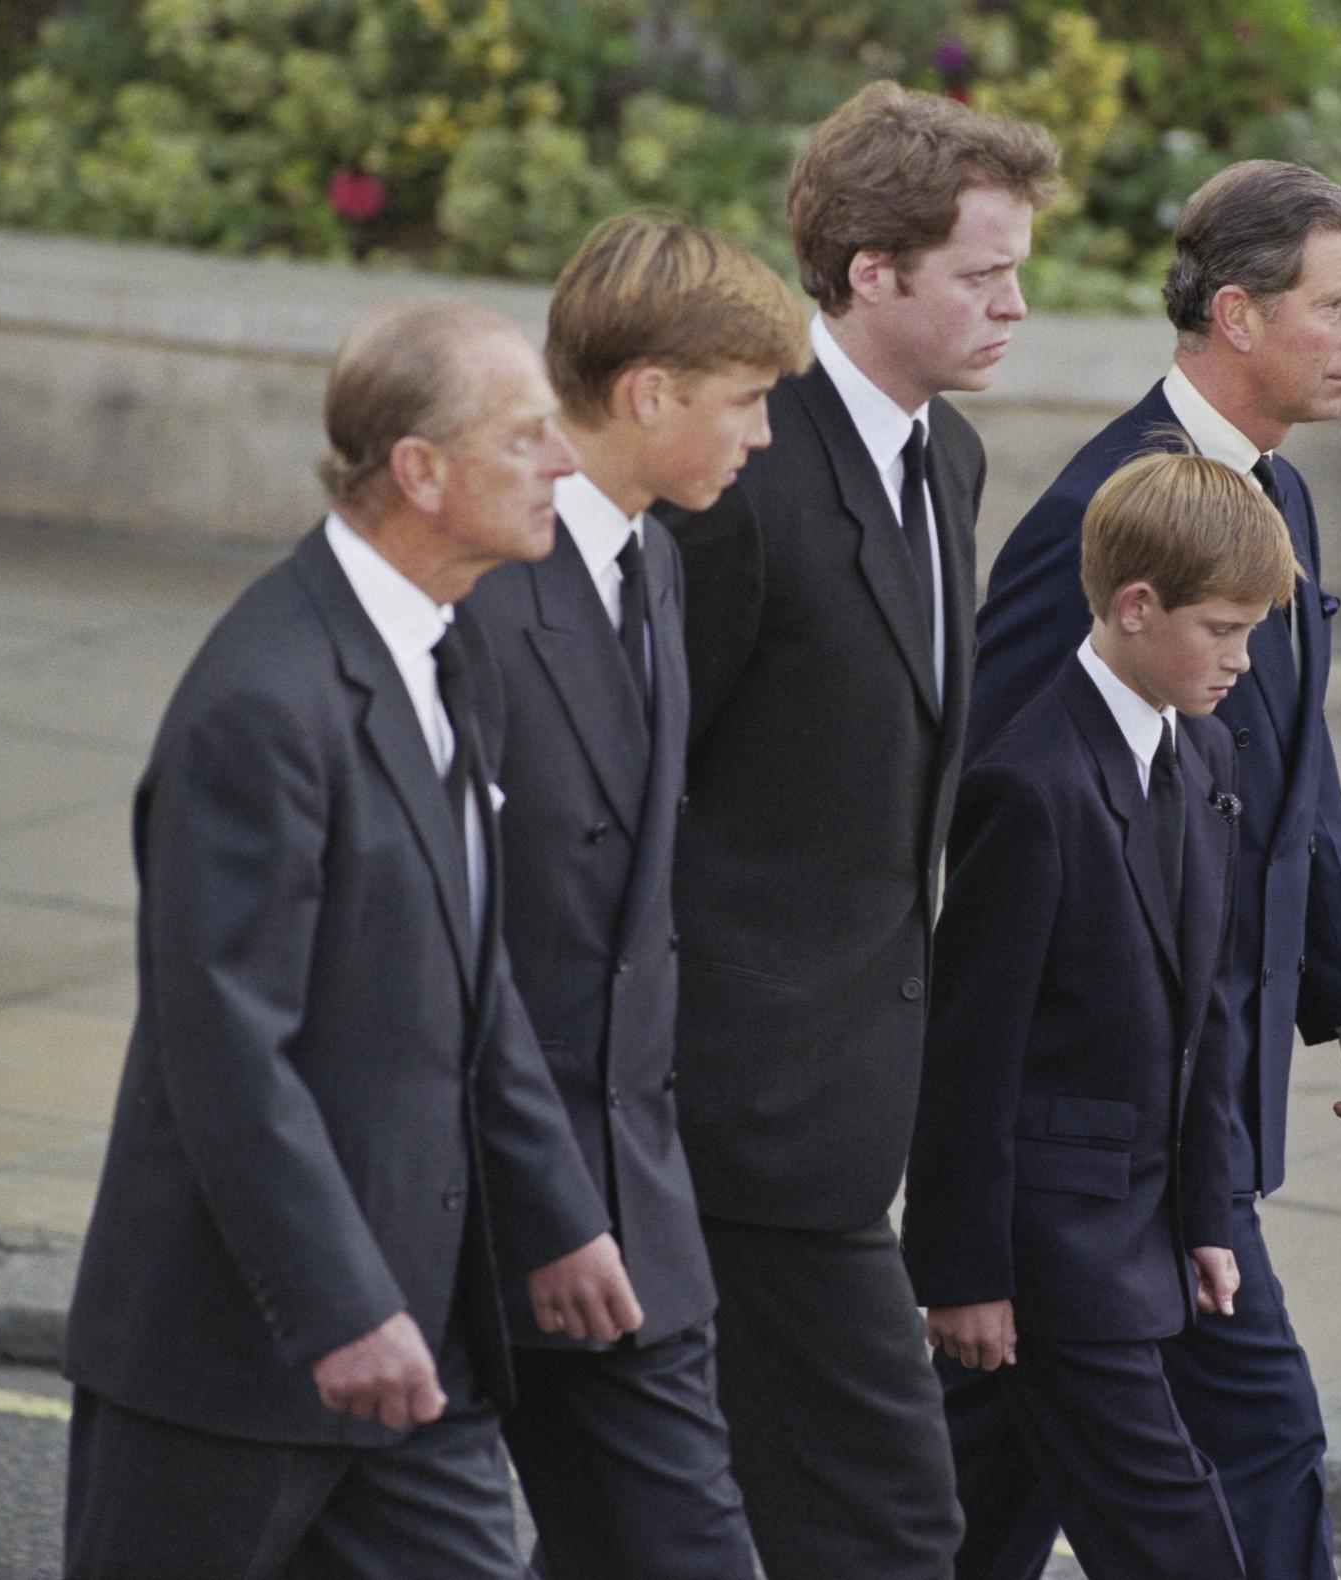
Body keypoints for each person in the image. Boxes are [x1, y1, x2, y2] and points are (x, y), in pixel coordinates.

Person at [61, 300, 639, 1577]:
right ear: (420, 470)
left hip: (418, 1348)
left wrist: (555, 1212)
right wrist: (341, 1306)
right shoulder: (264, 702)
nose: (565, 459)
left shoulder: (442, 648)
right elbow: (227, 1048)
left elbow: (471, 977)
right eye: (526, 435)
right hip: (240, 1361)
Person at [962, 158, 1341, 1578]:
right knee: (1257, 1438)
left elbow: (1294, 774)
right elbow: (1010, 808)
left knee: (985, 1474)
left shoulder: (1281, 499)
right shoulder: (1101, 518)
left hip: (1180, 1111)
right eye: (1339, 305)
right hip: (1116, 1122)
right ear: (1237, 313)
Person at [659, 81, 1059, 1579]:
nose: (1016, 304)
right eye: (984, 272)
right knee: (890, 1520)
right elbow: (631, 790)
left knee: (676, 1516)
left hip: (842, 1107)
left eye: (1017, 269)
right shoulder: (745, 473)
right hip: (728, 1117)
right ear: (871, 271)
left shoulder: (945, 460)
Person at [459, 215, 807, 1577]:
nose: (763, 435)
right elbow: (460, 944)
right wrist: (554, 1207)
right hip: (484, 1210)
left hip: (632, 1207)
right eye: (747, 400)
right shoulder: (484, 589)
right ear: (651, 393)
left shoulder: (655, 559)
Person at [906, 450, 1303, 1579]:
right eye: (1221, 629)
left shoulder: (1205, 749)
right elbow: (968, 1057)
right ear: (1135, 607)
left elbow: (1203, 1018)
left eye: (1251, 631)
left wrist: (1207, 1213)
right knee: (1177, 1537)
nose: (1241, 658)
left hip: (1138, 1235)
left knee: (965, 1533)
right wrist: (963, 1275)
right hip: (1054, 1253)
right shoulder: (1029, 786)